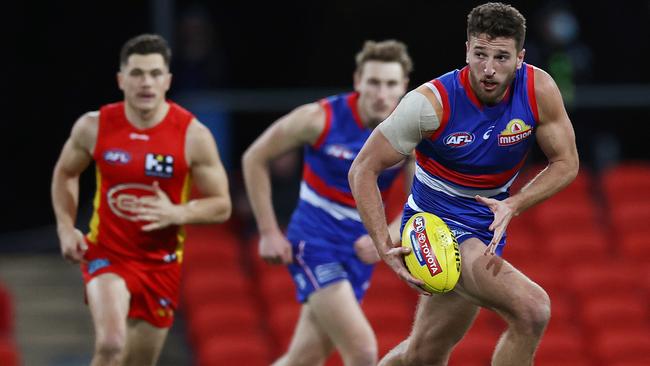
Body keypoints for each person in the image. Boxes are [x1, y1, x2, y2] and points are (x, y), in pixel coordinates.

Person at [349, 3, 579, 366]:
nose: (488, 69)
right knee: (533, 309)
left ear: (520, 58)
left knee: (424, 355)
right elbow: (362, 168)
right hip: (435, 224)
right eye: (480, 55)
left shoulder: (538, 89)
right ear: (467, 50)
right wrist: (382, 243)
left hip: (484, 224)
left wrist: (515, 203)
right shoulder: (429, 104)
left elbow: (567, 162)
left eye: (501, 57)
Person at [51, 34, 231, 366]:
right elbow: (65, 173)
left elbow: (222, 205)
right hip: (106, 254)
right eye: (136, 73)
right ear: (121, 80)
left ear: (168, 80)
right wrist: (65, 228)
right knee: (111, 344)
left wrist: (177, 212)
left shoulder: (194, 135)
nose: (145, 82)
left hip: (159, 264)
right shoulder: (94, 126)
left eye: (154, 73)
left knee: (137, 362)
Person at [242, 40, 413, 366]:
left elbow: (420, 197)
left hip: (360, 247)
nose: (381, 92)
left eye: (391, 83)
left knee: (302, 359)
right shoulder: (319, 118)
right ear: (357, 80)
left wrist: (387, 235)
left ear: (403, 86)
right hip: (314, 238)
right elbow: (255, 158)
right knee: (362, 349)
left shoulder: (410, 132)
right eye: (373, 82)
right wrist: (268, 231)